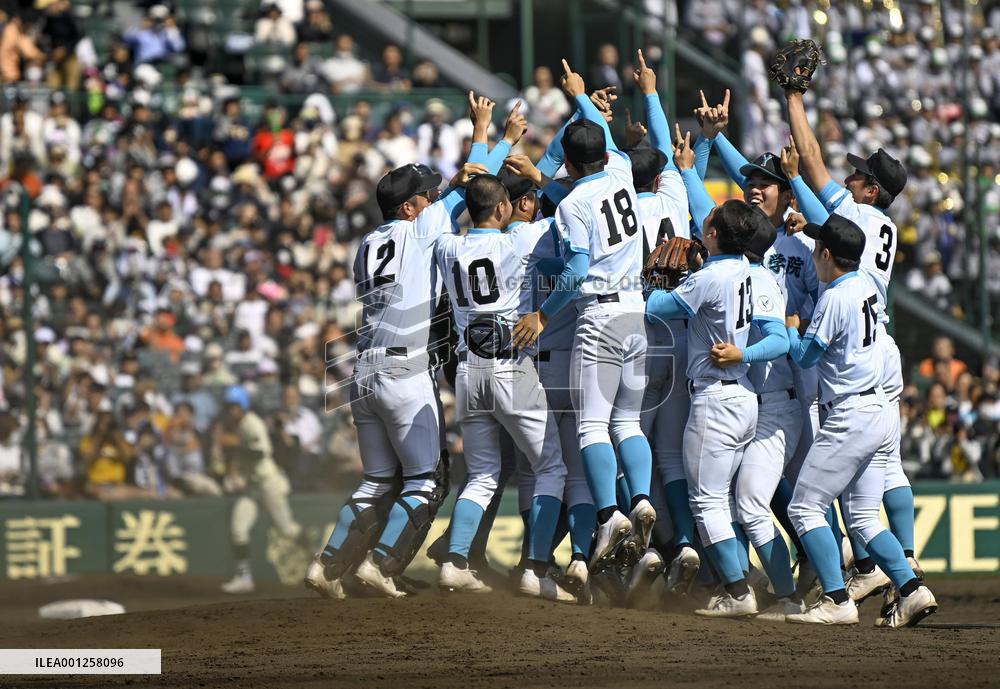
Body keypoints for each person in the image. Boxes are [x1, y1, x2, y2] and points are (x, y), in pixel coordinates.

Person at [303, 92, 501, 601]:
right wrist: (484, 129)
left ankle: (326, 566)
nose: (435, 200)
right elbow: (475, 185)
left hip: (363, 374)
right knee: (426, 480)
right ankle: (381, 564)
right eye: (428, 196)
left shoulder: (369, 243)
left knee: (376, 480)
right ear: (410, 206)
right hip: (404, 373)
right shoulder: (419, 229)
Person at [512, 59, 656, 577]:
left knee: (594, 424)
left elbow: (574, 270)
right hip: (638, 313)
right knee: (628, 421)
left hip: (598, 315)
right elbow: (605, 147)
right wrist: (580, 98)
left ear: (567, 164)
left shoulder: (571, 203)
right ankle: (639, 499)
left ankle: (609, 515)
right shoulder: (619, 171)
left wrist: (543, 316)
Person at [783, 213, 937, 628]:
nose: (814, 256)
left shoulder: (833, 295)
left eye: (817, 249)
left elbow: (806, 357)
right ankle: (911, 588)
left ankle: (836, 599)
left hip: (850, 414)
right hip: (880, 410)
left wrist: (792, 329)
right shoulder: (867, 282)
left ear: (827, 254)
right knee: (865, 518)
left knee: (805, 507)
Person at [434, 171, 574, 603]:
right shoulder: (521, 240)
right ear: (502, 208)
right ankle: (535, 569)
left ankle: (454, 563)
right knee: (551, 467)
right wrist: (541, 177)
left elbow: (446, 212)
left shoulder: (446, 246)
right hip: (511, 367)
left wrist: (458, 186)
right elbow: (570, 213)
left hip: (467, 372)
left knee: (481, 475)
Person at [645, 199, 760, 617]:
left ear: (713, 235)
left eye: (708, 223)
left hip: (715, 397)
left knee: (706, 502)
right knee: (723, 501)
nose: (702, 226)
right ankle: (735, 578)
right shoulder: (742, 267)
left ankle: (738, 589)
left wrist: (655, 280)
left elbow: (656, 307)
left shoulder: (710, 277)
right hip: (742, 394)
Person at [709, 213, 801, 620]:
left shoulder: (759, 279)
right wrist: (693, 165)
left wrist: (742, 354)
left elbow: (779, 341)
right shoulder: (742, 273)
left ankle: (789, 594)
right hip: (754, 404)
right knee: (728, 499)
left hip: (775, 405)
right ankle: (752, 580)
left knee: (748, 501)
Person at [218, 385, 306, 594]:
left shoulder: (251, 423)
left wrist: (236, 445)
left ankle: (321, 558)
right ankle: (244, 578)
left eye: (234, 406)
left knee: (287, 530)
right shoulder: (239, 426)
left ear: (243, 406)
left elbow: (262, 451)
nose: (231, 410)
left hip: (269, 484)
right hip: (252, 487)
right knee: (238, 529)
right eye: (228, 406)